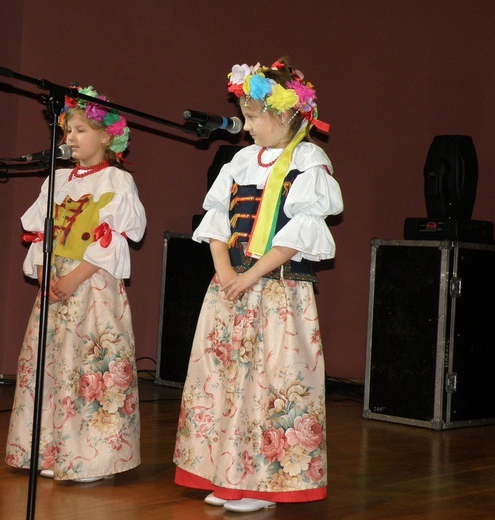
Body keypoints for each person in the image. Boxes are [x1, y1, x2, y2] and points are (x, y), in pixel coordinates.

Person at [173, 59, 343, 512]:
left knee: (268, 385)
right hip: (230, 288)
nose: (244, 126)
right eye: (243, 115)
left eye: (253, 117)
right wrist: (226, 273)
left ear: (286, 114)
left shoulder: (308, 160)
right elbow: (216, 223)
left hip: (275, 290)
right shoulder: (240, 160)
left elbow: (297, 234)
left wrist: (250, 275)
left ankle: (262, 484)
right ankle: (225, 474)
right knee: (224, 382)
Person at [6, 85, 146, 482]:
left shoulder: (116, 182)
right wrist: (44, 274)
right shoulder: (56, 180)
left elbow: (114, 240)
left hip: (91, 288)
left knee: (89, 366)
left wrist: (73, 279)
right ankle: (50, 450)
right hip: (55, 285)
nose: (70, 138)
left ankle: (92, 458)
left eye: (80, 130)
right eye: (67, 131)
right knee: (54, 365)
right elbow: (39, 236)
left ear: (106, 136)